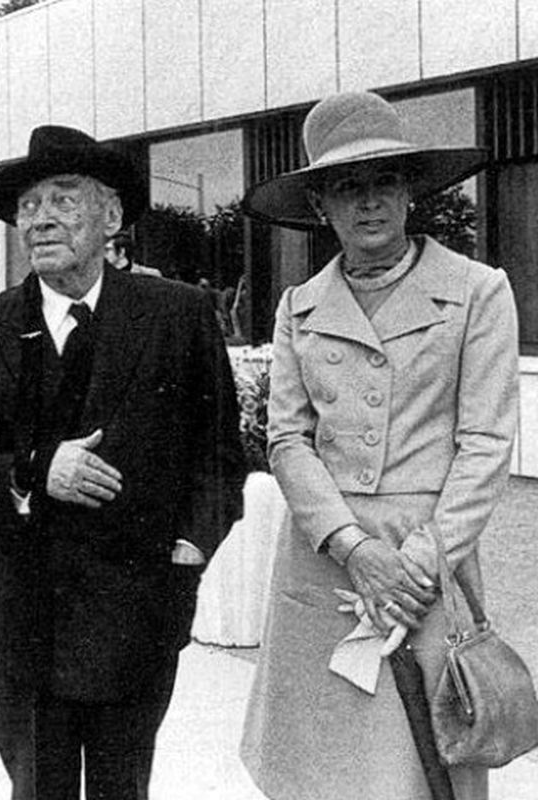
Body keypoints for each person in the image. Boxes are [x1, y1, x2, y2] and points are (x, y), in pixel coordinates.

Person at [0, 125, 245, 800]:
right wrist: (36, 472)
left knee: (124, 790)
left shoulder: (179, 316)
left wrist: (188, 552)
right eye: (29, 205)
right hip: (28, 630)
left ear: (112, 217)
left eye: (63, 200)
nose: (40, 219)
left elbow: (219, 459)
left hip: (141, 619)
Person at [239, 91, 516, 800]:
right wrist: (354, 549)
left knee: (419, 769)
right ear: (319, 206)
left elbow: (486, 443)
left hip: (429, 561)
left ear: (410, 192)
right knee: (323, 768)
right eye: (346, 186)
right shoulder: (299, 307)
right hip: (327, 557)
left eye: (385, 180)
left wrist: (415, 566)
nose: (369, 202)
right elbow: (287, 439)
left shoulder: (477, 291)